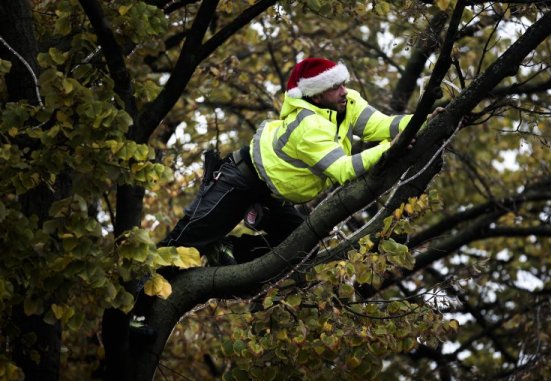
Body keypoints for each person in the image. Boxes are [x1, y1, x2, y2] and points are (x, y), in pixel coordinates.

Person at [159, 57, 417, 264]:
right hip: (238, 180)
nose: (344, 91)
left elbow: (384, 125)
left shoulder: (346, 103)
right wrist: (388, 149)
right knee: (185, 243)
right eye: (335, 87)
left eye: (343, 83)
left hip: (271, 194)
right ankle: (136, 308)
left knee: (302, 247)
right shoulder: (308, 124)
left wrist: (425, 120)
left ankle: (227, 249)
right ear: (316, 96)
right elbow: (342, 170)